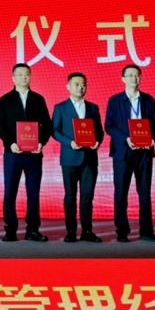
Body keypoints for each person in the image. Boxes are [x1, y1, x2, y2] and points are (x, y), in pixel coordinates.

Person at [0, 62, 53, 241]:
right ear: (13, 78)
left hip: (34, 154)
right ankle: (10, 229)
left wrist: (41, 142)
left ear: (30, 76)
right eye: (19, 74)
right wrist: (10, 143)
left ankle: (32, 229)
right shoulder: (5, 100)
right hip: (13, 153)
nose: (23, 77)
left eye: (26, 74)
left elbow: (47, 125)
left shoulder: (38, 99)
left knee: (33, 193)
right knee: (10, 191)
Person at [104, 64, 155, 242]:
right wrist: (125, 138)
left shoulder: (148, 100)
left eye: (137, 75)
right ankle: (122, 231)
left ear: (140, 78)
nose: (134, 78)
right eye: (130, 75)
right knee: (121, 192)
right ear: (123, 79)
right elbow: (109, 126)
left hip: (144, 152)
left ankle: (146, 231)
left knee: (145, 193)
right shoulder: (115, 100)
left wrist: (152, 137)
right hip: (123, 152)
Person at [52, 72, 104, 243]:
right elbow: (55, 131)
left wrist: (97, 141)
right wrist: (70, 143)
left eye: (83, 84)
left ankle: (87, 231)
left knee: (87, 196)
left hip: (89, 158)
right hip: (69, 157)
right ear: (68, 86)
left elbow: (99, 131)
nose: (80, 87)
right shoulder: (60, 108)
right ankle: (71, 231)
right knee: (70, 196)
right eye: (76, 84)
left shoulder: (93, 108)